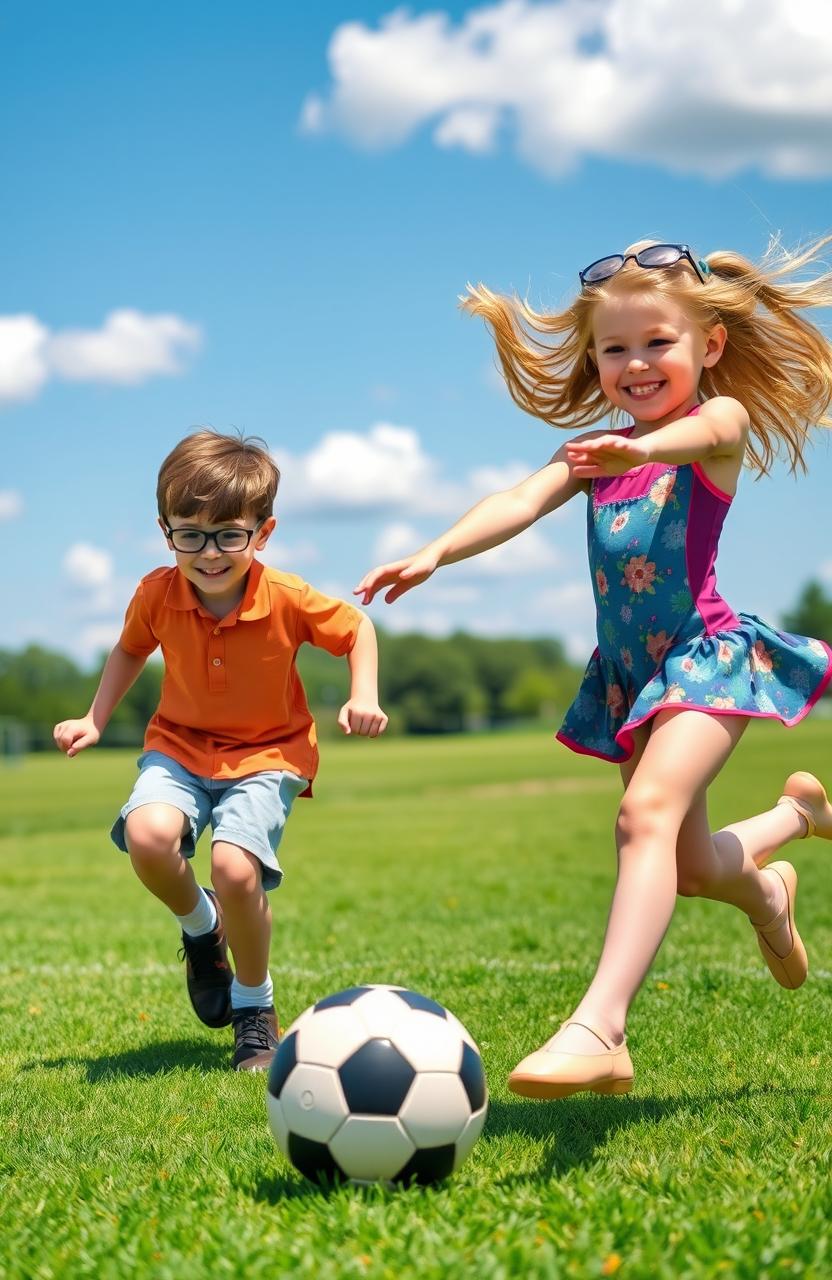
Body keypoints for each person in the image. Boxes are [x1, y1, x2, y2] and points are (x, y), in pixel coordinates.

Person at [355, 238, 832, 1099]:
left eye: (658, 342)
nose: (636, 363)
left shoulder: (716, 431)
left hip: (704, 660)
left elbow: (704, 430)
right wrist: (434, 551)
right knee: (686, 866)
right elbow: (516, 501)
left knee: (644, 817)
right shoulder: (591, 452)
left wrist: (642, 454)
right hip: (631, 679)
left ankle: (601, 1028)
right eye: (615, 349)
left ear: (707, 347)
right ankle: (785, 848)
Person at [54, 429, 387, 1071]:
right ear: (165, 530)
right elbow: (129, 649)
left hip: (268, 754)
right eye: (190, 534)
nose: (209, 554)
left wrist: (362, 696)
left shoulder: (286, 596)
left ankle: (254, 1008)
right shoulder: (155, 593)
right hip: (178, 747)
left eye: (229, 534)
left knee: (237, 868)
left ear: (262, 533)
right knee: (148, 837)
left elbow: (357, 629)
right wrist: (94, 718)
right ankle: (203, 930)